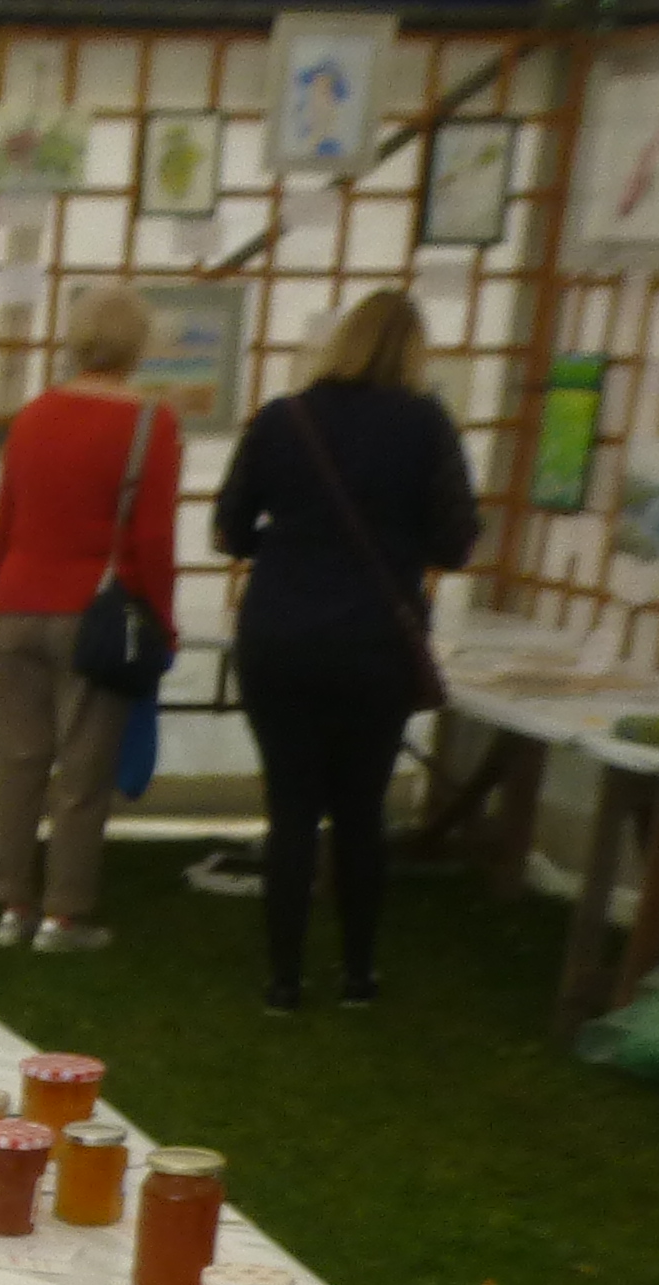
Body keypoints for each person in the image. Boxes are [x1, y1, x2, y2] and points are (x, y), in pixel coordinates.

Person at [213, 289, 479, 1011]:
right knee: (361, 811)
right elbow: (456, 541)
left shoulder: (283, 419)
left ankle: (284, 980)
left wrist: (289, 544)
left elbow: (230, 529)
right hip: (375, 641)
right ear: (414, 350)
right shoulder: (427, 424)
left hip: (281, 632)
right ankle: (358, 973)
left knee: (291, 809)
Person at [0, 283, 181, 955]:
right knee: (84, 771)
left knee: (18, 760)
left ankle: (11, 904)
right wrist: (162, 620)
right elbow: (153, 538)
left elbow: (4, 521)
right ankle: (64, 914)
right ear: (138, 345)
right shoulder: (151, 424)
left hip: (15, 602)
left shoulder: (33, 417)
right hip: (94, 612)